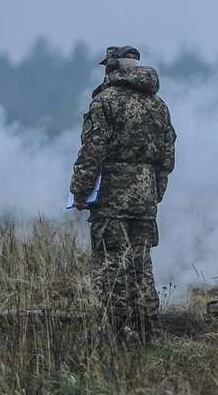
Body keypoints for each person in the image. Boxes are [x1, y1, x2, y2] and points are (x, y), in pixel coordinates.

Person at [70, 45, 176, 343]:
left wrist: (79, 190)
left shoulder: (105, 102)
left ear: (112, 68)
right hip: (145, 197)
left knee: (111, 266)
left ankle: (117, 335)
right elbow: (167, 155)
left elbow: (92, 151)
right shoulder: (158, 105)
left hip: (111, 197)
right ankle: (149, 333)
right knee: (142, 266)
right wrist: (156, 191)